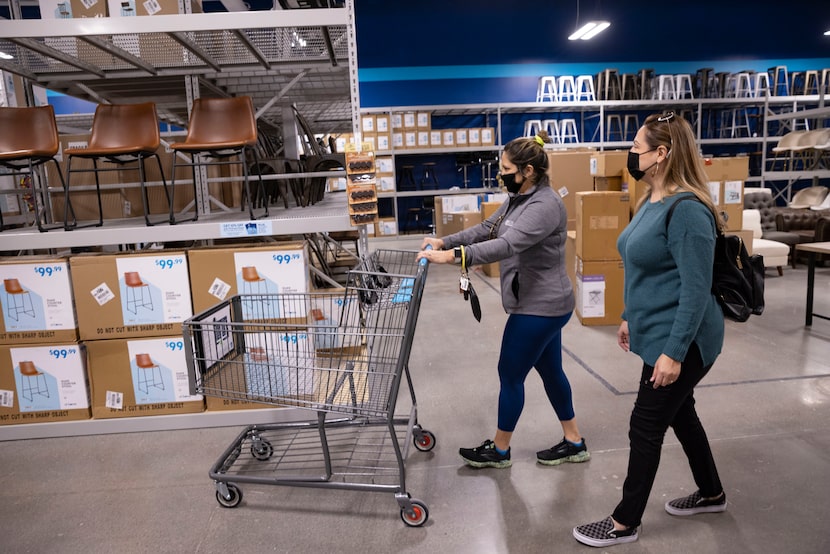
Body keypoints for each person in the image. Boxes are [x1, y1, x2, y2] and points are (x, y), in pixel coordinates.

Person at [573, 112, 727, 548]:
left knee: (645, 425)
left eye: (637, 148)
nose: (630, 155)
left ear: (661, 154)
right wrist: (628, 315)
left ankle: (625, 522)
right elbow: (647, 271)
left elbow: (695, 293)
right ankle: (712, 492)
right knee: (681, 415)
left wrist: (674, 353)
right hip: (655, 327)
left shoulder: (688, 211)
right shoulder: (650, 199)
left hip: (688, 338)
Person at [416, 130, 589, 469]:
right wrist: (445, 240)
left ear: (528, 170)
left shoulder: (545, 205)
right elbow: (488, 229)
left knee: (510, 374)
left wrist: (453, 257)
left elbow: (507, 245)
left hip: (541, 307)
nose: (502, 175)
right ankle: (574, 441)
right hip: (544, 303)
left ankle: (499, 450)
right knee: (552, 372)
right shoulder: (519, 197)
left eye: (507, 169)